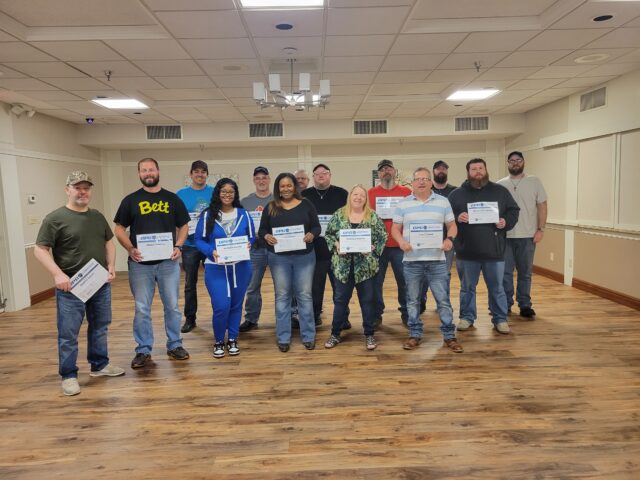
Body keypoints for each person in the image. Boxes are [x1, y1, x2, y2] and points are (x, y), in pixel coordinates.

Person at [34, 171, 124, 396]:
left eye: (86, 188)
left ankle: (99, 365)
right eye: (77, 187)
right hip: (71, 286)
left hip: (99, 283)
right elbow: (40, 249)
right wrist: (57, 274)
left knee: (100, 326)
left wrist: (111, 265)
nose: (82, 192)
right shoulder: (55, 218)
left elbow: (109, 243)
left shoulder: (97, 216)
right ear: (68, 190)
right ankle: (69, 375)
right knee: (68, 333)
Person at [114, 158, 191, 368]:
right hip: (140, 265)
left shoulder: (172, 199)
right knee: (142, 309)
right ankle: (143, 350)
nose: (148, 173)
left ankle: (175, 345)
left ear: (158, 171)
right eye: (144, 170)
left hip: (168, 263)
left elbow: (184, 225)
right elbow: (119, 228)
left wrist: (179, 246)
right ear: (139, 174)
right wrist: (130, 248)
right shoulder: (130, 200)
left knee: (173, 307)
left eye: (151, 169)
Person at [391, 168, 462, 352]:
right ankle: (415, 334)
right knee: (413, 300)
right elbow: (395, 229)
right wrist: (401, 242)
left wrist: (449, 239)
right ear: (412, 183)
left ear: (431, 182)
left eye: (425, 179)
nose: (421, 182)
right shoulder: (403, 204)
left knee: (443, 300)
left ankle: (449, 336)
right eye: (417, 179)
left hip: (437, 261)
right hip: (412, 262)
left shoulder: (443, 202)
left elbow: (452, 226)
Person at [448, 158, 520, 334]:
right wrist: (457, 217)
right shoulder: (457, 194)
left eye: (481, 168)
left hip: (494, 251)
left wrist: (505, 221)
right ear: (468, 172)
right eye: (474, 169)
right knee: (467, 288)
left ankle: (500, 319)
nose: (478, 171)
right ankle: (466, 317)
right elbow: (446, 216)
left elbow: (513, 210)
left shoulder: (500, 191)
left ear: (486, 170)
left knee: (497, 288)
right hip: (466, 251)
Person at [259, 173, 321, 352]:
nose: (285, 189)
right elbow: (262, 229)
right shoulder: (271, 206)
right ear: (278, 188)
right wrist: (266, 236)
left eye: (289, 185)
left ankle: (308, 335)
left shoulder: (306, 204)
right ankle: (283, 337)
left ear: (295, 187)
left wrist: (312, 234)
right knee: (282, 296)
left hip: (305, 257)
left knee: (304, 296)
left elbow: (316, 226)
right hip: (279, 259)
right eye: (282, 186)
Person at [195, 178, 255, 358]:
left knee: (236, 305)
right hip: (216, 267)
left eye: (231, 191)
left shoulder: (243, 214)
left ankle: (233, 339)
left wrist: (249, 245)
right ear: (218, 193)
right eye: (223, 191)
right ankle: (219, 340)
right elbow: (199, 240)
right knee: (222, 305)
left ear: (235, 194)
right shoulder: (208, 215)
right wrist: (210, 251)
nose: (227, 195)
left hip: (241, 267)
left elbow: (251, 236)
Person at [323, 185, 387, 350]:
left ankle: (369, 334)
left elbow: (382, 236)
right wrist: (336, 245)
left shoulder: (372, 216)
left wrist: (373, 248)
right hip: (342, 268)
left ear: (366, 199)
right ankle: (335, 334)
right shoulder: (339, 214)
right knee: (340, 301)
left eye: (362, 195)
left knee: (367, 302)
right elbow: (329, 234)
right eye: (355, 194)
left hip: (366, 268)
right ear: (350, 196)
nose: (358, 198)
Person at [497, 151, 548, 318]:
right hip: (505, 236)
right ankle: (506, 304)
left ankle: (525, 304)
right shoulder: (500, 184)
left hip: (528, 235)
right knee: (505, 273)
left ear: (523, 162)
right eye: (511, 161)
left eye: (518, 160)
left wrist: (541, 229)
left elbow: (542, 206)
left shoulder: (534, 181)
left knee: (525, 272)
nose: (515, 163)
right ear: (507, 163)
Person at [302, 163, 348, 326]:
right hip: (314, 250)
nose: (321, 175)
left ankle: (342, 318)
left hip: (338, 250)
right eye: (317, 173)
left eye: (324, 173)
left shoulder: (342, 193)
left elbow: (348, 218)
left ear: (330, 175)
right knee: (315, 287)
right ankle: (314, 316)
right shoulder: (304, 195)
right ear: (313, 177)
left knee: (340, 288)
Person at [368, 159, 411, 327]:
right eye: (382, 169)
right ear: (378, 174)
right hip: (378, 247)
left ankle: (407, 313)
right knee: (376, 282)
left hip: (401, 245)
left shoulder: (406, 192)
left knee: (404, 281)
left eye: (389, 168)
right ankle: (377, 314)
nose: (386, 171)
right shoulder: (370, 193)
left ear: (395, 172)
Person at [176, 160, 214, 333]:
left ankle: (219, 314)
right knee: (190, 284)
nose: (200, 174)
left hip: (210, 244)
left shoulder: (214, 192)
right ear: (191, 174)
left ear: (207, 174)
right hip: (190, 245)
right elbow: (177, 219)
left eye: (203, 172)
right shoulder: (181, 194)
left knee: (215, 281)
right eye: (196, 172)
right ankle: (190, 318)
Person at [239, 166, 273, 333]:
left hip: (276, 248)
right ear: (254, 180)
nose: (261, 180)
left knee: (284, 286)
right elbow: (239, 225)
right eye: (257, 178)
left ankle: (290, 316)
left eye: (264, 177)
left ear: (269, 179)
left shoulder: (278, 200)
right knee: (252, 286)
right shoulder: (245, 202)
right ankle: (251, 318)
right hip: (255, 249)